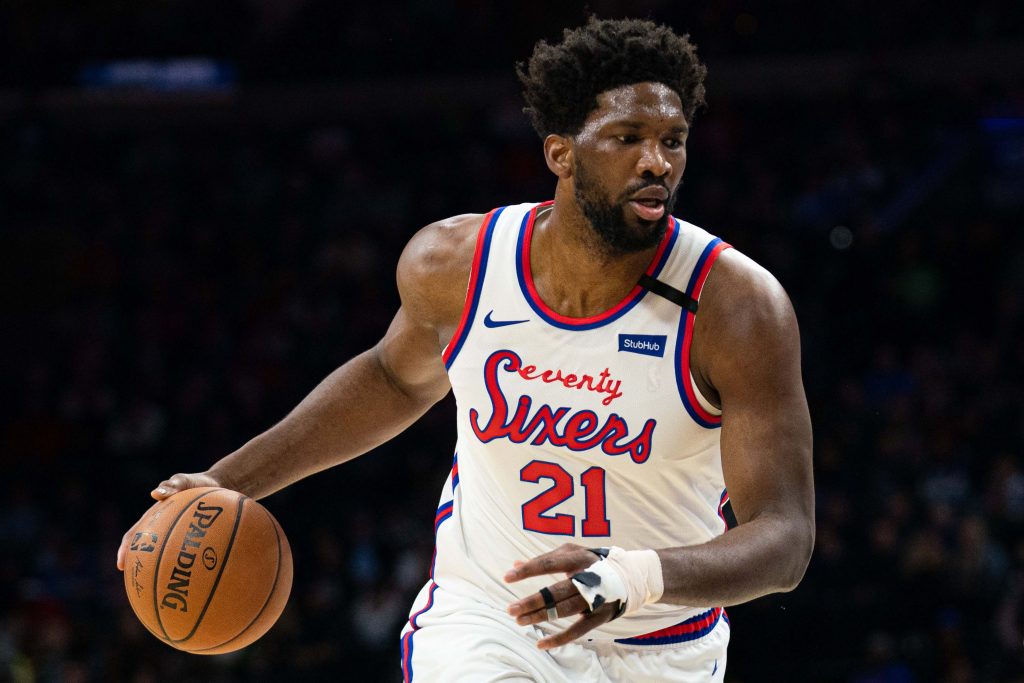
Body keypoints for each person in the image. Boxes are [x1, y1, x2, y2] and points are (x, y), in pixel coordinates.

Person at [117, 17, 814, 682]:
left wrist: (627, 574)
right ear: (561, 154)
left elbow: (784, 537)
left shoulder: (738, 308)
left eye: (673, 140)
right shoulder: (458, 265)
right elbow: (394, 377)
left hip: (663, 644)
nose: (656, 161)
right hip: (489, 616)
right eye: (627, 136)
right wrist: (226, 480)